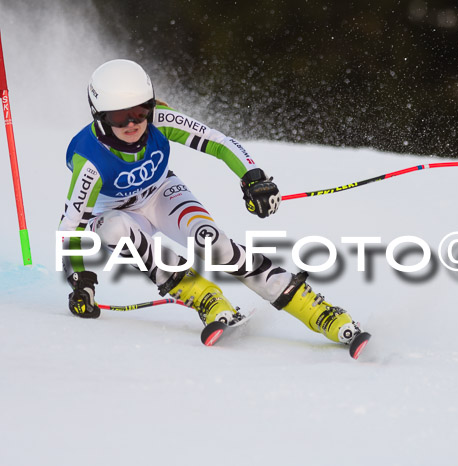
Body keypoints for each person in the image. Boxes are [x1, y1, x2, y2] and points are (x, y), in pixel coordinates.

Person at [59, 59, 364, 347]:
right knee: (114, 229)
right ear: (98, 116)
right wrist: (82, 281)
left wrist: (254, 178)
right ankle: (206, 298)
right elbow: (71, 227)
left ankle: (316, 310)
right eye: (118, 116)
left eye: (140, 111)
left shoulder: (159, 120)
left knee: (213, 244)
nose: (132, 123)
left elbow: (218, 142)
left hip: (160, 192)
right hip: (115, 214)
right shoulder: (90, 160)